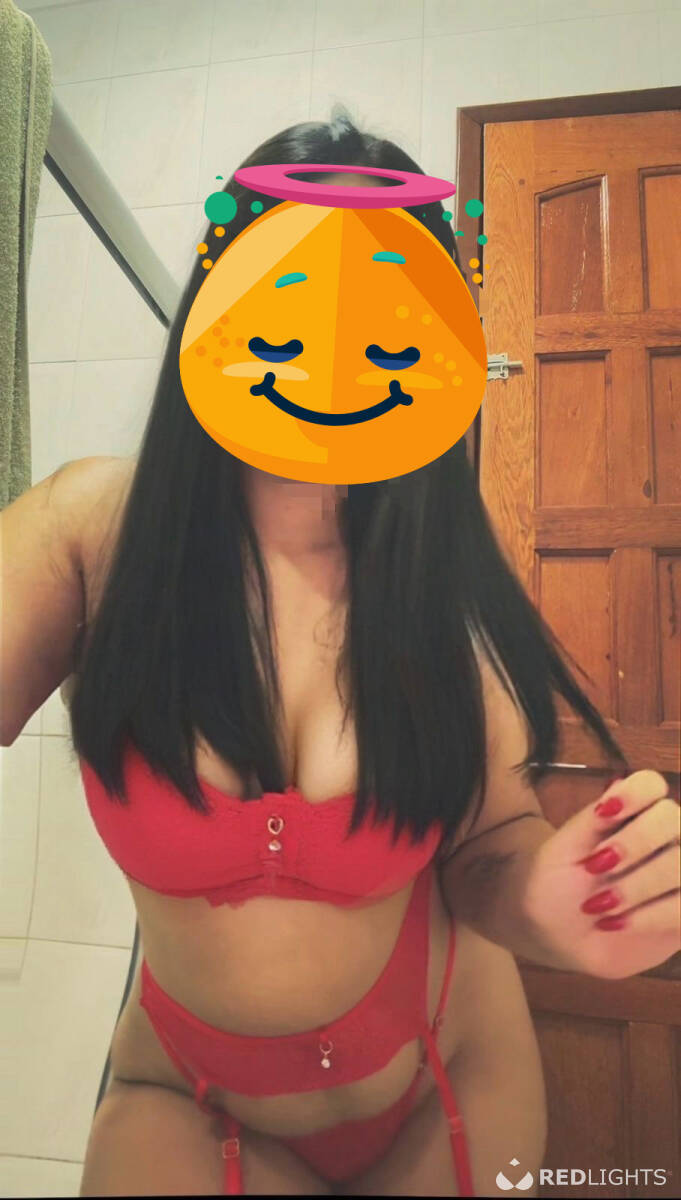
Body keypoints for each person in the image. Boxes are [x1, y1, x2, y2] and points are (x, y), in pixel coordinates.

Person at [2, 110, 679, 1198]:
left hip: (449, 1082)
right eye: (290, 311)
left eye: (383, 328)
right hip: (187, 1099)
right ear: (221, 308)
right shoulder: (91, 535)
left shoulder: (439, 578)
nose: (328, 359)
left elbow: (488, 844)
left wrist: (549, 903)